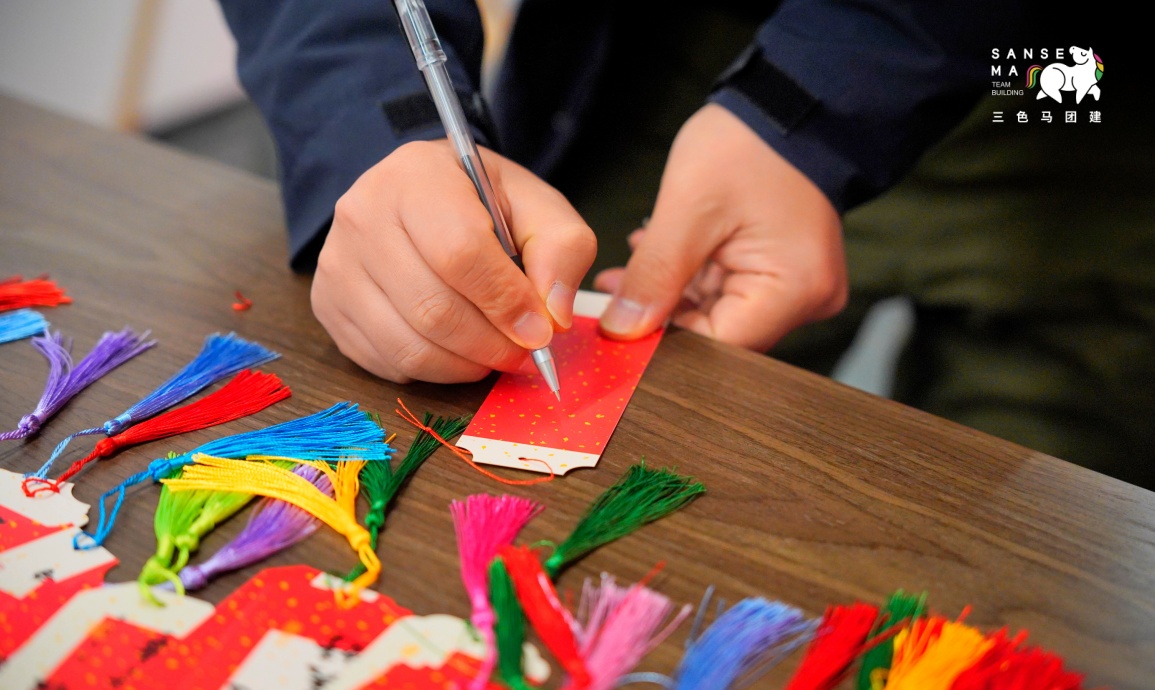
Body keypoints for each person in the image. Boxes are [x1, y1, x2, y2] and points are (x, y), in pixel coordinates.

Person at [217, 2, 1152, 488]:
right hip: (672, 46)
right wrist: (377, 126)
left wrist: (810, 106)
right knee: (641, 442)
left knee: (1033, 533)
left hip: (1076, 78)